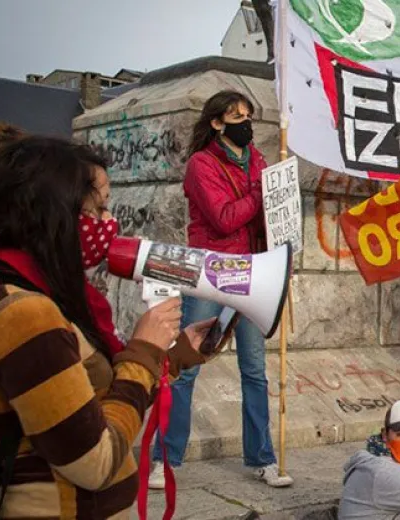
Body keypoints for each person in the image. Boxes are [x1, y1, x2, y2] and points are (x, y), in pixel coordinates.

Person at [0, 137, 210, 517]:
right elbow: (94, 461)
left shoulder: (35, 290)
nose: (108, 224)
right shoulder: (24, 316)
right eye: (99, 209)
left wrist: (177, 353)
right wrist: (143, 352)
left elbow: (94, 396)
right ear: (54, 211)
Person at [150, 90, 293, 488]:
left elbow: (264, 218)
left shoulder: (259, 162)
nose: (246, 123)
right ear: (217, 123)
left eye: (249, 115)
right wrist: (261, 192)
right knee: (185, 366)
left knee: (255, 371)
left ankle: (261, 458)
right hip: (211, 273)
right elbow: (225, 218)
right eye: (236, 116)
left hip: (253, 273)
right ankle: (165, 458)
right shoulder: (201, 164)